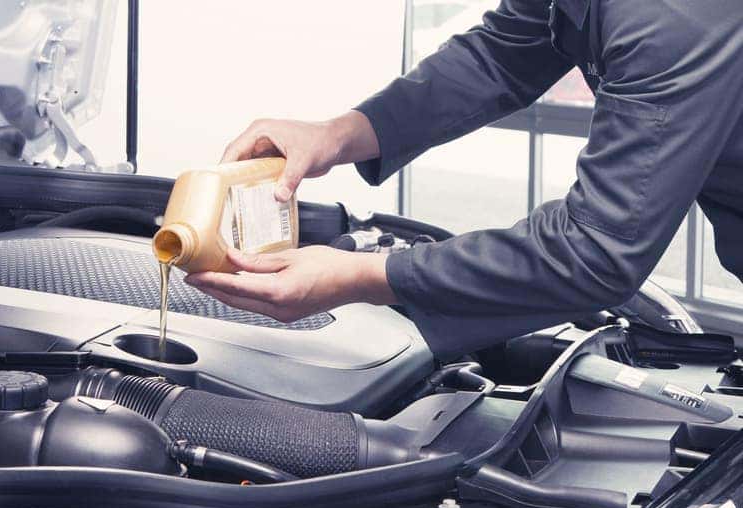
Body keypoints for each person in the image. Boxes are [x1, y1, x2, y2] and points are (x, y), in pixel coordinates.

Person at [183, 0, 743, 360]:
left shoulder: (671, 18)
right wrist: (339, 133)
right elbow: (499, 55)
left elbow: (593, 253)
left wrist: (363, 276)